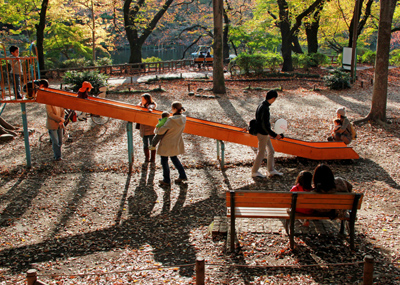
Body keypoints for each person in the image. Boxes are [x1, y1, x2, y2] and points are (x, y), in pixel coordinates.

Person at [251, 90, 283, 178]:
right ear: (273, 98)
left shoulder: (262, 104)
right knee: (261, 152)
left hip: (264, 133)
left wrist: (271, 133)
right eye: (275, 99)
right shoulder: (264, 108)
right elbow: (264, 125)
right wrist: (274, 134)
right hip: (263, 133)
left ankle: (271, 170)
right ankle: (254, 171)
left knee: (271, 151)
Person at [155, 101, 187, 186]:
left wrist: (158, 125)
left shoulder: (170, 120)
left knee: (164, 161)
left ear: (175, 109)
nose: (171, 110)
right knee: (174, 159)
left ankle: (166, 180)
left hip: (167, 142)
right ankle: (182, 175)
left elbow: (160, 131)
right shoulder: (183, 118)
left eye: (172, 108)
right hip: (176, 141)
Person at [138, 93, 157, 162]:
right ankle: (147, 157)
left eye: (143, 99)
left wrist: (150, 108)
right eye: (142, 99)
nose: (142, 101)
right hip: (143, 129)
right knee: (145, 144)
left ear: (147, 99)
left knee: (152, 144)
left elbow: (152, 106)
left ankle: (152, 158)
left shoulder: (152, 104)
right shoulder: (141, 105)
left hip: (150, 128)